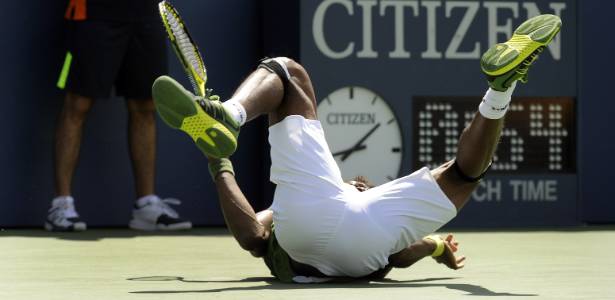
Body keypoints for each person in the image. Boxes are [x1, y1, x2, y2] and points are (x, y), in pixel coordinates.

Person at [152, 14, 561, 282]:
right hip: (365, 240)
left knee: (286, 72)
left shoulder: (301, 208)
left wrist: (219, 163)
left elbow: (252, 235)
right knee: (464, 174)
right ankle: (498, 90)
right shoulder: (367, 213)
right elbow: (398, 254)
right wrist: (435, 247)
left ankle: (230, 116)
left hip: (304, 235)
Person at [46, 0, 191, 231]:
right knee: (77, 104)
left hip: (147, 14)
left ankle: (146, 206)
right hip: (92, 13)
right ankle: (61, 206)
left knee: (145, 106)